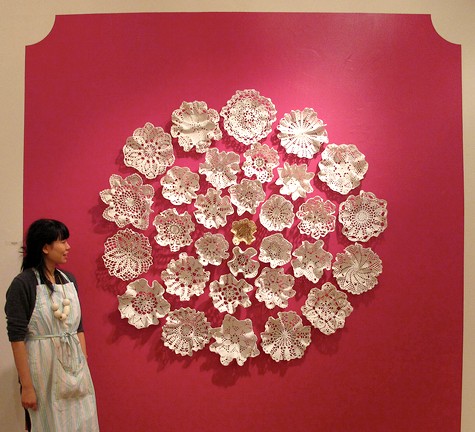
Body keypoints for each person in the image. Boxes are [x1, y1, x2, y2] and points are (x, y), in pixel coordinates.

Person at [5, 219, 99, 431]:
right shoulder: (24, 284)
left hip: (76, 369)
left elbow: (78, 327)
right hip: (43, 370)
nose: (68, 247)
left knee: (83, 423)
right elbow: (17, 337)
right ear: (45, 247)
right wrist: (27, 387)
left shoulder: (68, 280)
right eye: (62, 242)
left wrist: (82, 363)